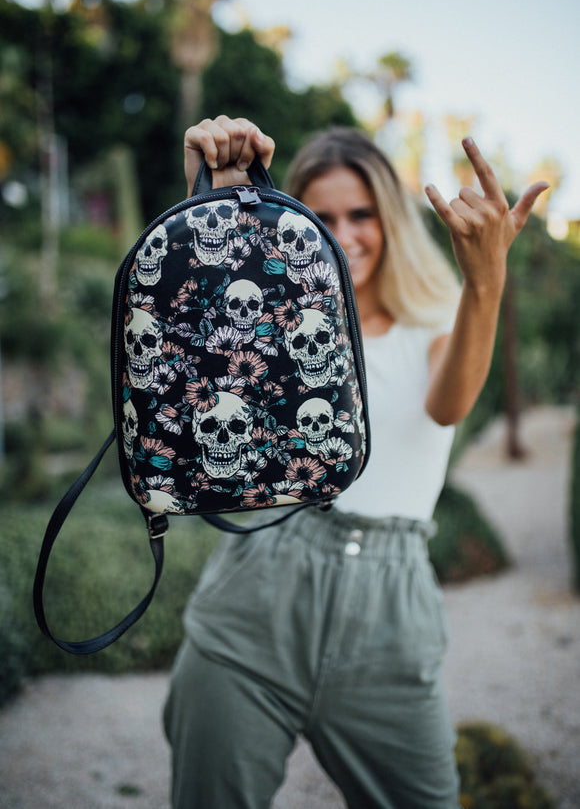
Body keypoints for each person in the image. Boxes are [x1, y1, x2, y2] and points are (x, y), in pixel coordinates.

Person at [163, 115, 549, 808]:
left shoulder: (441, 319)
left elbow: (450, 405)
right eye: (324, 216)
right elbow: (189, 355)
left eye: (362, 214)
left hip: (389, 618)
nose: (344, 233)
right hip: (256, 599)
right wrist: (219, 205)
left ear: (390, 219)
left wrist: (486, 282)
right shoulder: (267, 323)